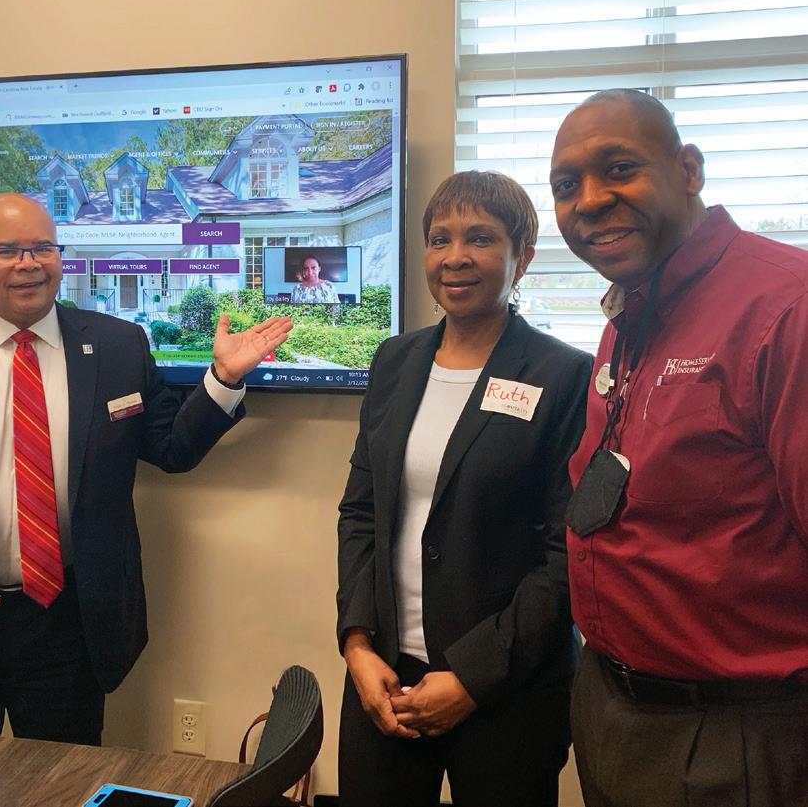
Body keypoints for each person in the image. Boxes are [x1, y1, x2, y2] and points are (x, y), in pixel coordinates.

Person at [0, 193, 291, 745]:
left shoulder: (119, 345)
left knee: (63, 780)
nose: (29, 263)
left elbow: (172, 450)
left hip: (68, 622)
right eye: (6, 251)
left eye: (43, 248)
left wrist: (223, 379)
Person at [551, 89, 808, 806]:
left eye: (619, 169)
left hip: (734, 732)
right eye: (566, 185)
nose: (590, 200)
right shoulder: (629, 313)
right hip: (611, 704)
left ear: (688, 169)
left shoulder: (784, 308)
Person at [336, 171, 592, 807]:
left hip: (507, 689)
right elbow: (361, 514)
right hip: (386, 676)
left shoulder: (565, 376)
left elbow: (567, 555)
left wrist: (471, 678)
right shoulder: (394, 361)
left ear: (521, 257)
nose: (455, 257)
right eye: (439, 239)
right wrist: (357, 644)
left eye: (480, 238)